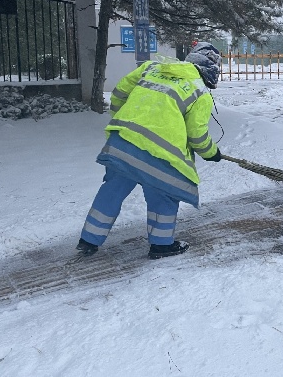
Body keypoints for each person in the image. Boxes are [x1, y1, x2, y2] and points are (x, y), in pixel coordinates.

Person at [76, 42, 222, 259]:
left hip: (122, 142)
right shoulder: (200, 92)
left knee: (112, 190)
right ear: (211, 70)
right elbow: (197, 135)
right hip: (160, 156)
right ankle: (161, 245)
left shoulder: (151, 68)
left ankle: (89, 239)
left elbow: (118, 94)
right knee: (163, 195)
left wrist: (124, 121)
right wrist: (212, 153)